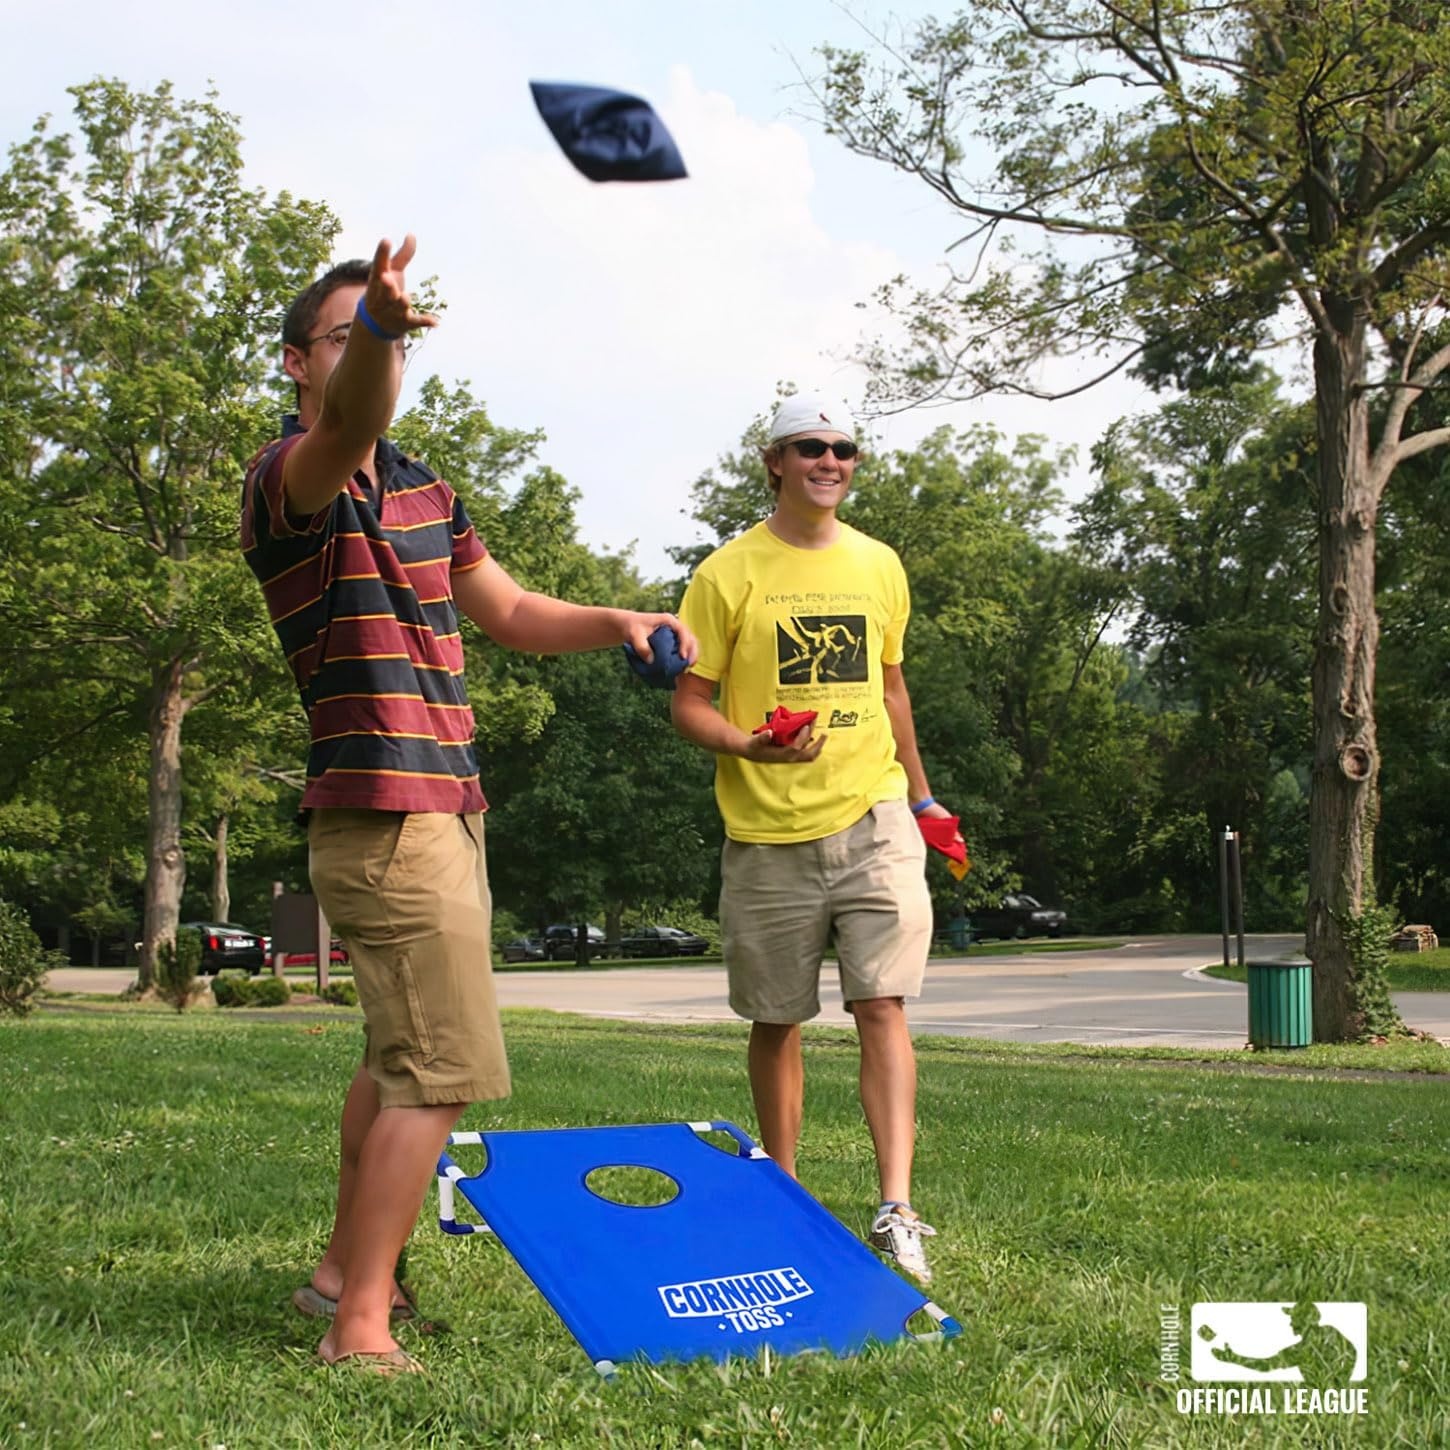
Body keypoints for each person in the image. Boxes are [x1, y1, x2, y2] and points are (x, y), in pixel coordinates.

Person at [241, 235, 695, 1374]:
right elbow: (348, 420)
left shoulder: (427, 490)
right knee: (438, 1073)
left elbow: (507, 608)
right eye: (343, 338)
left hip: (446, 804)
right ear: (299, 363)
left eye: (381, 334)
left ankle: (347, 1278)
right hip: (385, 807)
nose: (366, 358)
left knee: (396, 1057)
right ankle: (359, 1330)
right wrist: (383, 334)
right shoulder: (292, 475)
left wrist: (618, 622)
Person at [670, 391, 958, 1283]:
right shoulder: (726, 574)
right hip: (765, 832)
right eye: (809, 448)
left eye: (844, 449)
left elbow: (893, 689)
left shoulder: (880, 565)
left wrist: (922, 799)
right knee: (778, 1019)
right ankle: (784, 1201)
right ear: (775, 463)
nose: (829, 462)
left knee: (883, 1004)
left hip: (874, 817)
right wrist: (748, 744)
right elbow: (689, 704)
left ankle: (896, 1206)